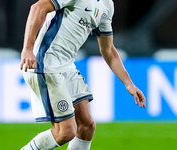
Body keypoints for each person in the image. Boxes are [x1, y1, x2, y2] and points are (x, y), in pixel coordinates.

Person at [20, 0, 146, 149]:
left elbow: (108, 50)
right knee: (65, 132)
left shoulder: (107, 5)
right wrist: (28, 48)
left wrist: (129, 84)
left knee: (86, 126)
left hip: (67, 66)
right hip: (46, 63)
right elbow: (38, 7)